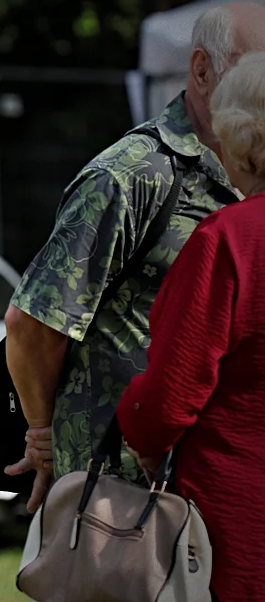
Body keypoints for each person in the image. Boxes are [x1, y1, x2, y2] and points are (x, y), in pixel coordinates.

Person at [3, 2, 265, 512]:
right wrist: (43, 432)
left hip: (224, 473)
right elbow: (34, 322)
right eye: (250, 67)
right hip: (121, 484)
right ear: (202, 69)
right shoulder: (132, 174)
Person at [116, 52, 265, 602]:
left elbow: (169, 397)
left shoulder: (229, 237)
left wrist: (141, 430)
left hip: (240, 520)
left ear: (235, 138)